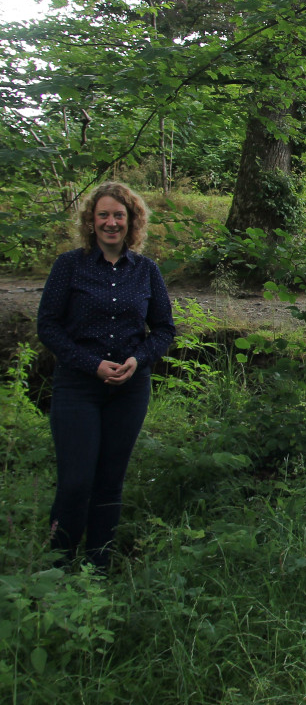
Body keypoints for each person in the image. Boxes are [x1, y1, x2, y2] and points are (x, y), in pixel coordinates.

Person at [37, 181, 176, 571]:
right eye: (104, 215)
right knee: (76, 480)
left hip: (129, 390)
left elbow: (164, 329)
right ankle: (59, 567)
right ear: (91, 221)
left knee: (110, 480)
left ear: (131, 221)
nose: (111, 223)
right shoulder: (70, 266)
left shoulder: (146, 271)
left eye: (119, 215)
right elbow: (48, 326)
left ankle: (98, 567)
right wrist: (90, 363)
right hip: (78, 387)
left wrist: (138, 359)